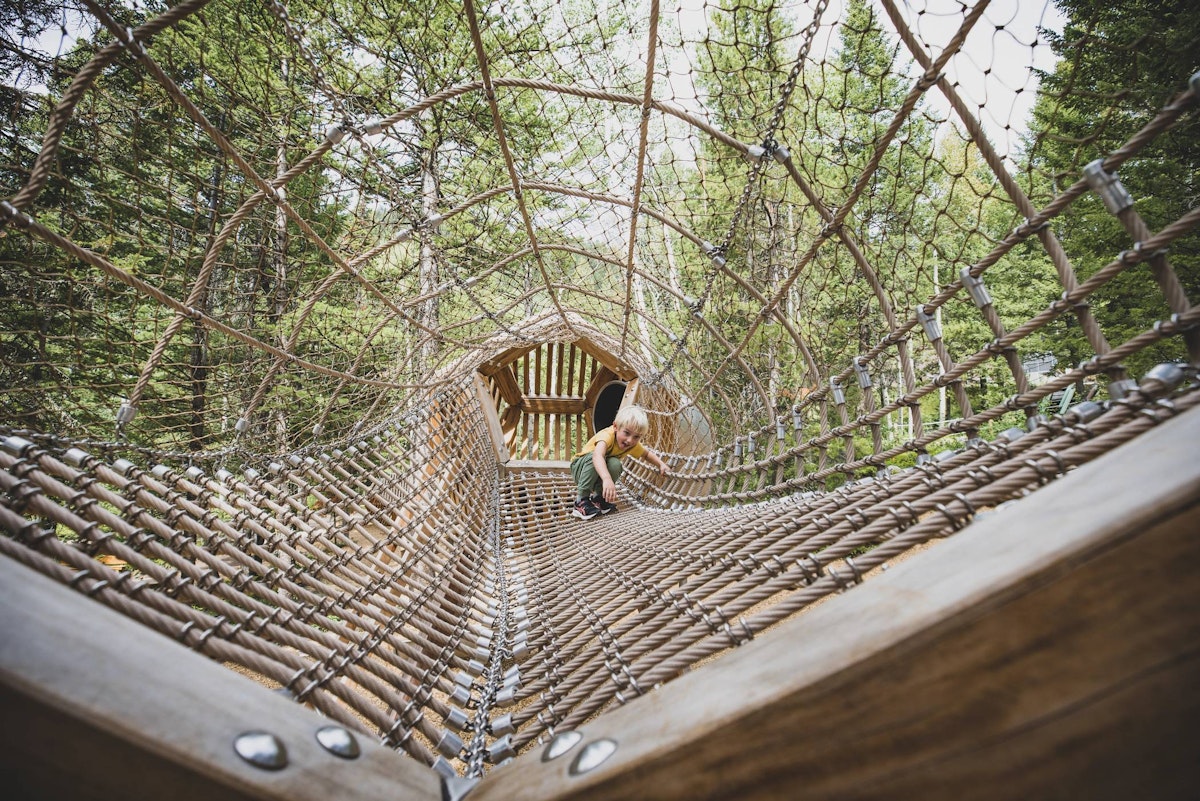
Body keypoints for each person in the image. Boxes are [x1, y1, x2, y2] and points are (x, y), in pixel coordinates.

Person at [569, 405, 669, 520]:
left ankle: (599, 498)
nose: (630, 440)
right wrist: (607, 479)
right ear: (615, 426)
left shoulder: (632, 444)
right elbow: (597, 456)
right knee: (595, 457)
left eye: (636, 437)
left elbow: (646, 454)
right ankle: (581, 500)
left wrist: (661, 464)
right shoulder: (606, 436)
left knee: (615, 463)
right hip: (580, 469)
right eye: (626, 433)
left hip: (596, 474)